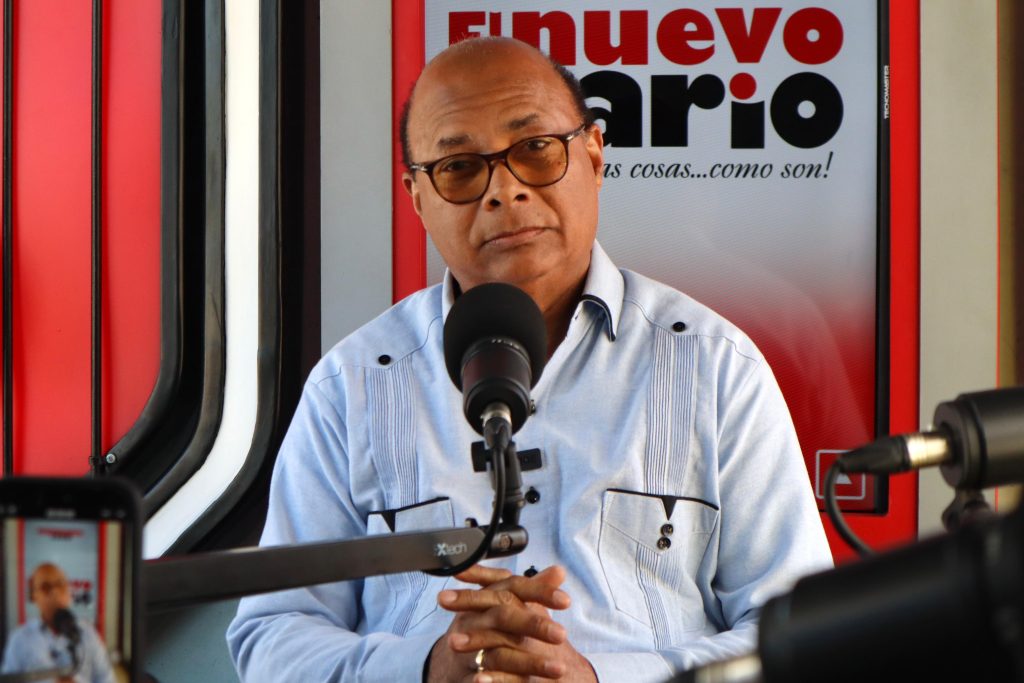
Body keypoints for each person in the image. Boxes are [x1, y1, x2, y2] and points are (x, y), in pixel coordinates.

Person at [228, 36, 832, 682]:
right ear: (417, 197)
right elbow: (272, 637)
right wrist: (424, 669)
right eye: (460, 167)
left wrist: (601, 678)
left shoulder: (714, 368)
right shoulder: (352, 385)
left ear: (593, 154)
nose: (504, 191)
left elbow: (807, 636)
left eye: (536, 148)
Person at [1, 563, 115, 683]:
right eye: (45, 587)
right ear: (34, 596)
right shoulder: (19, 639)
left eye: (60, 585)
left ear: (69, 591)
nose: (55, 592)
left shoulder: (88, 634)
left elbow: (107, 680)